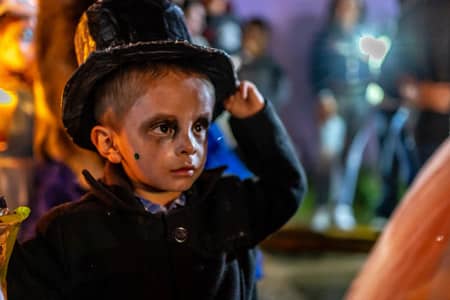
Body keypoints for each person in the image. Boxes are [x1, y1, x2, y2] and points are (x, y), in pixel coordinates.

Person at [7, 1, 306, 299]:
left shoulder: (226, 207)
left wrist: (256, 123)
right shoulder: (69, 233)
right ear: (109, 143)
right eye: (164, 128)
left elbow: (285, 188)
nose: (190, 145)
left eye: (199, 126)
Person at [371, 0, 450, 226]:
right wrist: (414, 91)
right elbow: (389, 75)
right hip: (422, 131)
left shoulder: (413, 13)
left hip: (424, 129)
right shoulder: (413, 15)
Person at [309, 0, 372, 231]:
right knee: (328, 155)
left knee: (351, 157)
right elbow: (315, 69)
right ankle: (322, 207)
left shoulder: (366, 36)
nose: (349, 11)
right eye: (344, 6)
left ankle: (342, 206)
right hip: (333, 99)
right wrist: (323, 95)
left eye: (354, 7)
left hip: (359, 101)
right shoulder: (325, 38)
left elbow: (375, 69)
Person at [239, 17, 291, 112]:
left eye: (256, 35)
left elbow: (282, 95)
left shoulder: (272, 68)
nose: (250, 39)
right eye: (248, 33)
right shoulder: (235, 62)